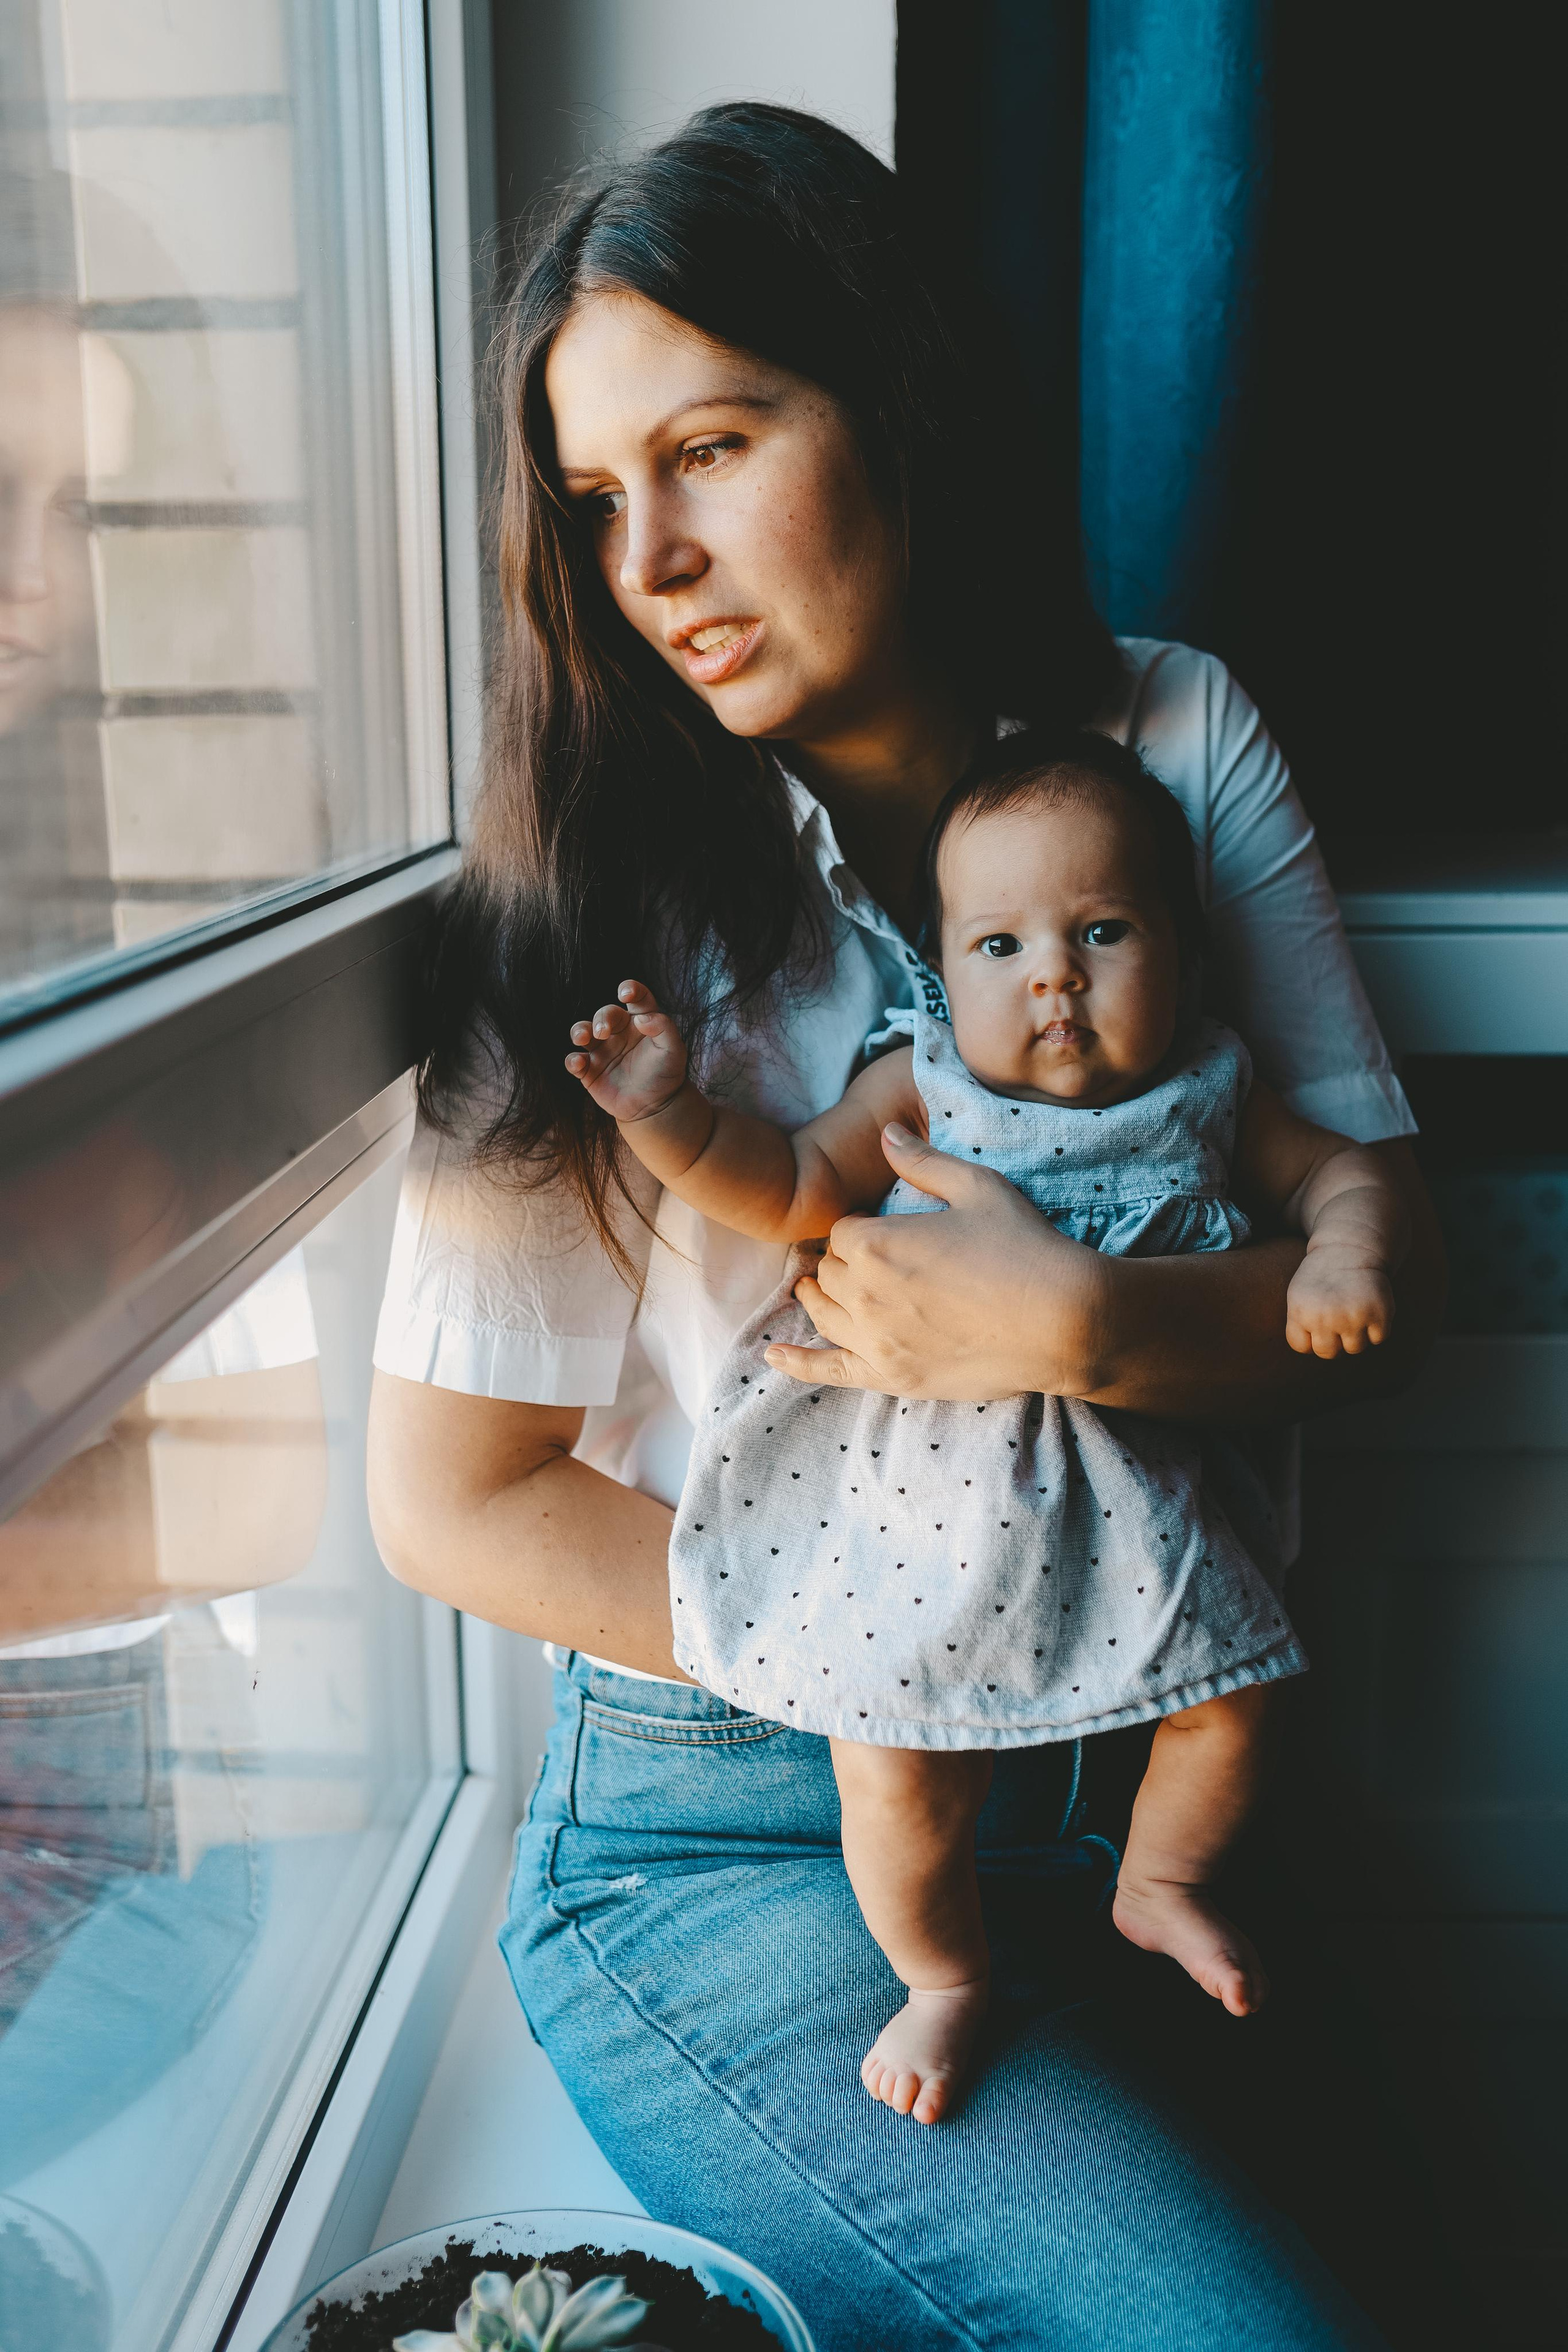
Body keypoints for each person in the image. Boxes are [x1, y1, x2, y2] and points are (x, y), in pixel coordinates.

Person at [368, 104, 1450, 2352]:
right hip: (735, 1839)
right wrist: (900, 1643)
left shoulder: (1172, 737)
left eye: (714, 445)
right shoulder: (594, 907)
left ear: (897, 395)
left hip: (1167, 1764)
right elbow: (450, 1507)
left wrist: (1092, 1328)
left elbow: (1377, 1272)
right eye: (590, 500)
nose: (646, 557)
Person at [563, 726, 1410, 2127]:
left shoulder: (1208, 1087)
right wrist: (666, 1116)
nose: (1053, 978)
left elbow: (1342, 1178)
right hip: (915, 1515)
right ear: (936, 971)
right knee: (889, 1773)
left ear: (1183, 955)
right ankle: (940, 1976)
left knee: (1239, 1699)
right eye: (1000, 945)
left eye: (1101, 931)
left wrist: (1341, 1258)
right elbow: (782, 1187)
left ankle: (1161, 1880)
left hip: (1132, 1510)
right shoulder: (920, 1088)